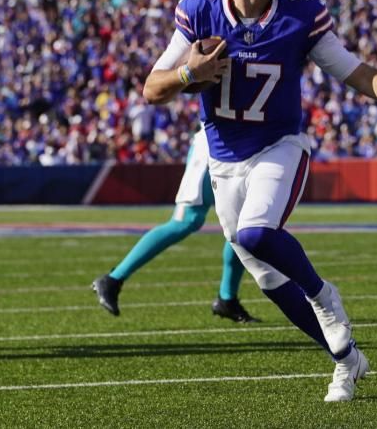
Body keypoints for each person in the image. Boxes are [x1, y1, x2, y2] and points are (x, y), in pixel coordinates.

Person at [140, 0, 377, 401]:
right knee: (262, 274)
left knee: (257, 233)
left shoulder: (301, 15)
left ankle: (325, 296)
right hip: (223, 158)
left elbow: (354, 72)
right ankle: (347, 361)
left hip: (280, 147)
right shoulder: (199, 13)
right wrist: (186, 75)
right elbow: (152, 88)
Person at [92, 127, 257, 323]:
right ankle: (113, 279)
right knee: (186, 220)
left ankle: (227, 299)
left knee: (240, 226)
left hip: (248, 149)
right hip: (216, 143)